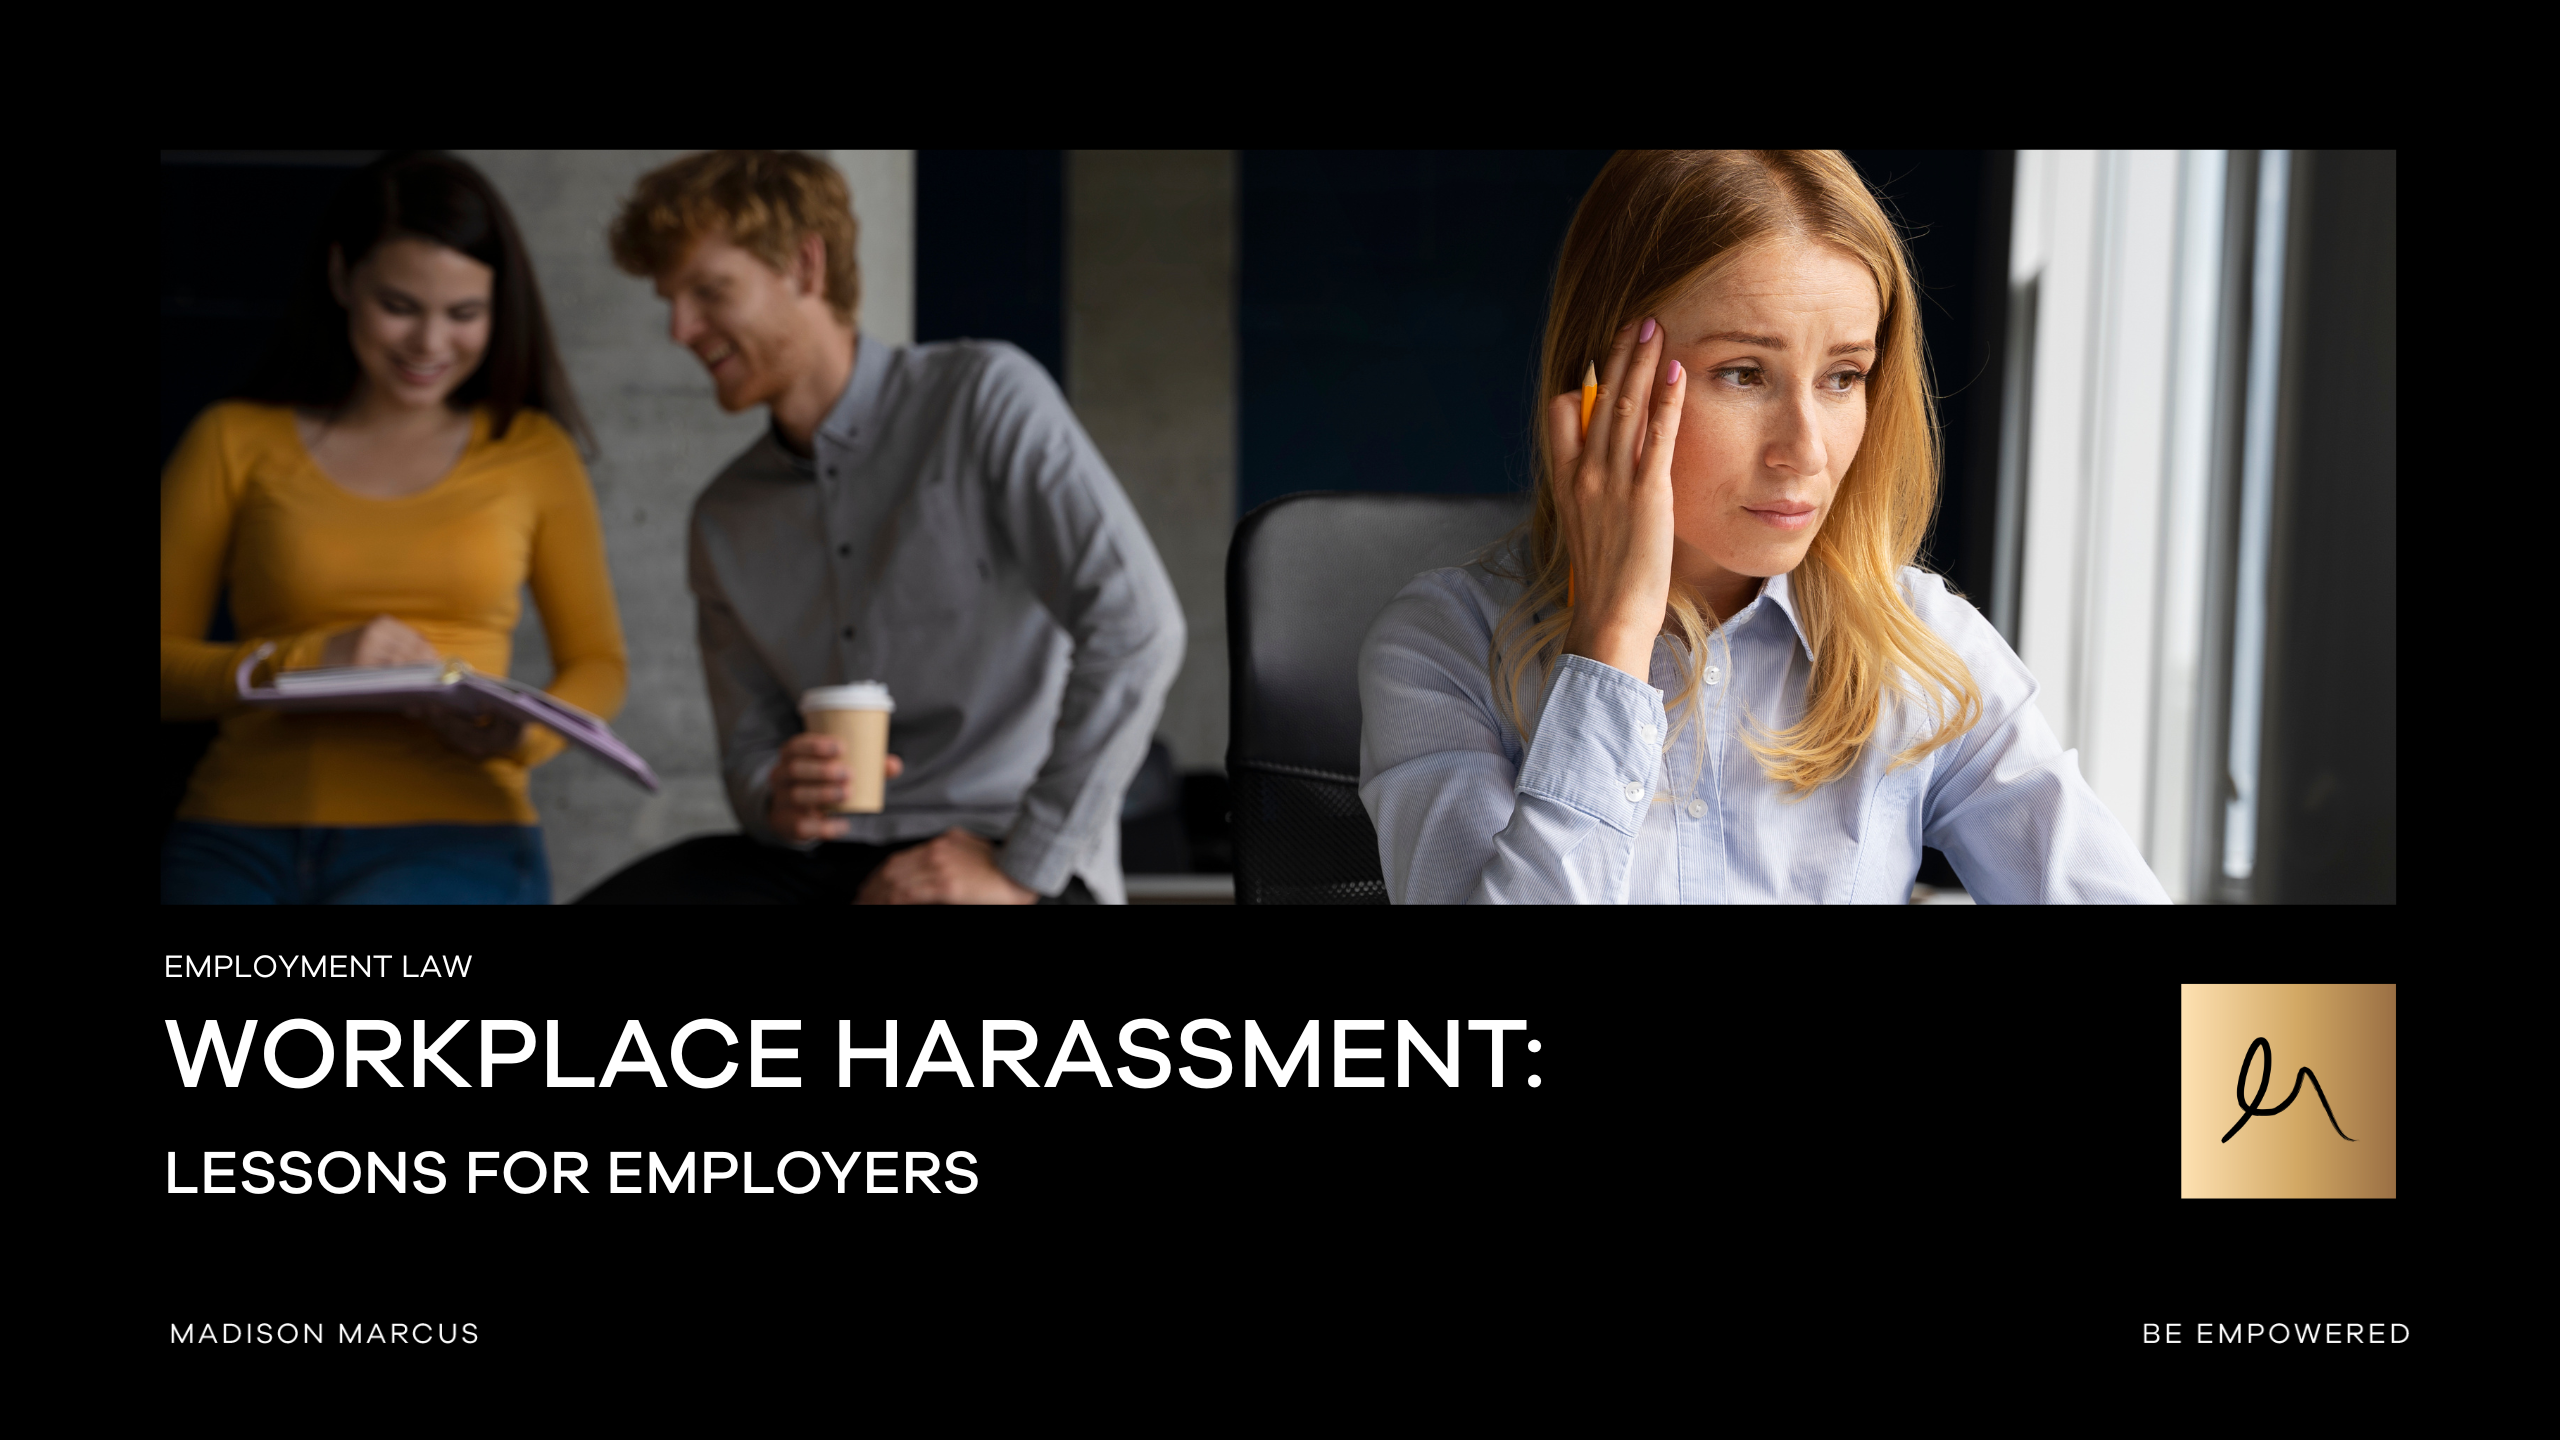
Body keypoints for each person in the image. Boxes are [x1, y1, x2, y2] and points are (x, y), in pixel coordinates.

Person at [1358, 150, 2168, 904]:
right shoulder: (1445, 646)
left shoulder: (1917, 645)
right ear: (1603, 386)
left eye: (1843, 376)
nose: (1806, 452)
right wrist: (1613, 639)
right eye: (1743, 374)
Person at [579, 151, 1181, 904]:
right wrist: (779, 793)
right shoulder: (724, 516)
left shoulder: (984, 399)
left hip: (999, 844)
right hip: (824, 857)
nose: (680, 329)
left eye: (709, 292)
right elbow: (749, 753)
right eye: (671, 299)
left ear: (805, 266)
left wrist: (1022, 867)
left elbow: (1136, 627)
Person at [160, 151, 628, 904]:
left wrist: (525, 736)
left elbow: (599, 663)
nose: (429, 345)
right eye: (401, 306)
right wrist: (314, 660)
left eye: (464, 314)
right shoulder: (233, 440)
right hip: (239, 835)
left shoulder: (532, 450)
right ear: (342, 278)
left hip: (457, 834)